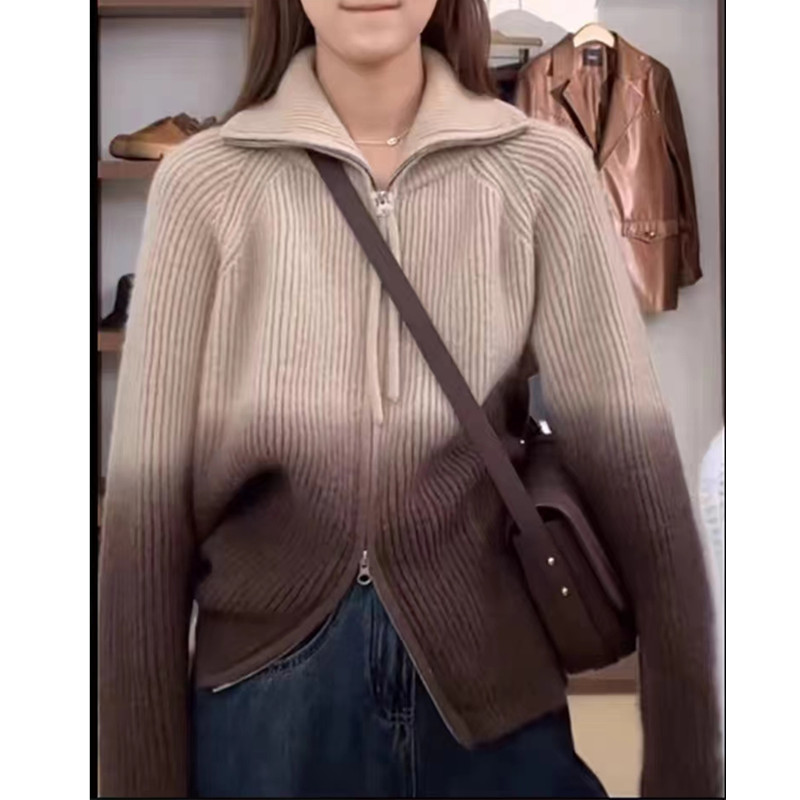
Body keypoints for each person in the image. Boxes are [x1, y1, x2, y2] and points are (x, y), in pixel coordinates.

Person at [98, 1, 722, 797]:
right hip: (264, 715)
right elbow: (144, 532)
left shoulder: (544, 172)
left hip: (497, 710)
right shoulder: (203, 183)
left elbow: (645, 496)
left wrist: (687, 772)